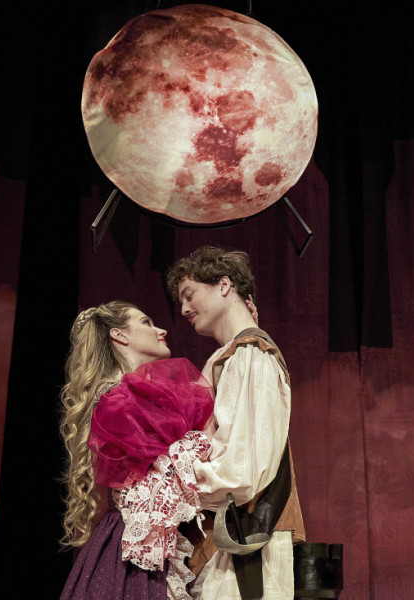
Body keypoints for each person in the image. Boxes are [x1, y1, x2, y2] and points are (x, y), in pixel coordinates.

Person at [166, 246, 305, 600]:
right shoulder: (232, 357)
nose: (183, 309)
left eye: (189, 294)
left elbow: (241, 472)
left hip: (243, 541)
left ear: (224, 285)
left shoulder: (251, 355)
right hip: (224, 539)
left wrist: (173, 486)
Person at [59, 301, 215, 600]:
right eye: (146, 322)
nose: (161, 329)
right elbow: (176, 464)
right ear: (119, 335)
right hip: (133, 544)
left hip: (146, 537)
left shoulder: (138, 395)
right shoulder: (117, 400)